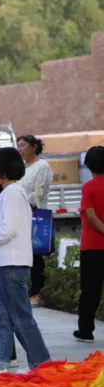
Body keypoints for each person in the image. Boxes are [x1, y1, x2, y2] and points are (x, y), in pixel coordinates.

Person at [0, 148, 51, 377]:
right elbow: (11, 222)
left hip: (11, 263)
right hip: (5, 262)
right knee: (0, 314)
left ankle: (41, 363)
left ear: (1, 170)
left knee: (19, 316)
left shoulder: (11, 193)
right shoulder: (10, 193)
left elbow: (8, 230)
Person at [16, 134, 52, 307]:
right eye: (18, 146)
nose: (19, 149)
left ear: (33, 146)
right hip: (19, 213)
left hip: (34, 213)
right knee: (23, 253)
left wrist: (19, 198)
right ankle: (26, 290)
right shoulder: (21, 167)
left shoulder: (42, 166)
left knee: (36, 254)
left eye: (22, 145)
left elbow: (39, 192)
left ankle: (37, 291)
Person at [75, 146, 104, 343]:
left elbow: (92, 217)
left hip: (93, 247)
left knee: (90, 291)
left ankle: (86, 331)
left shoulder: (88, 187)